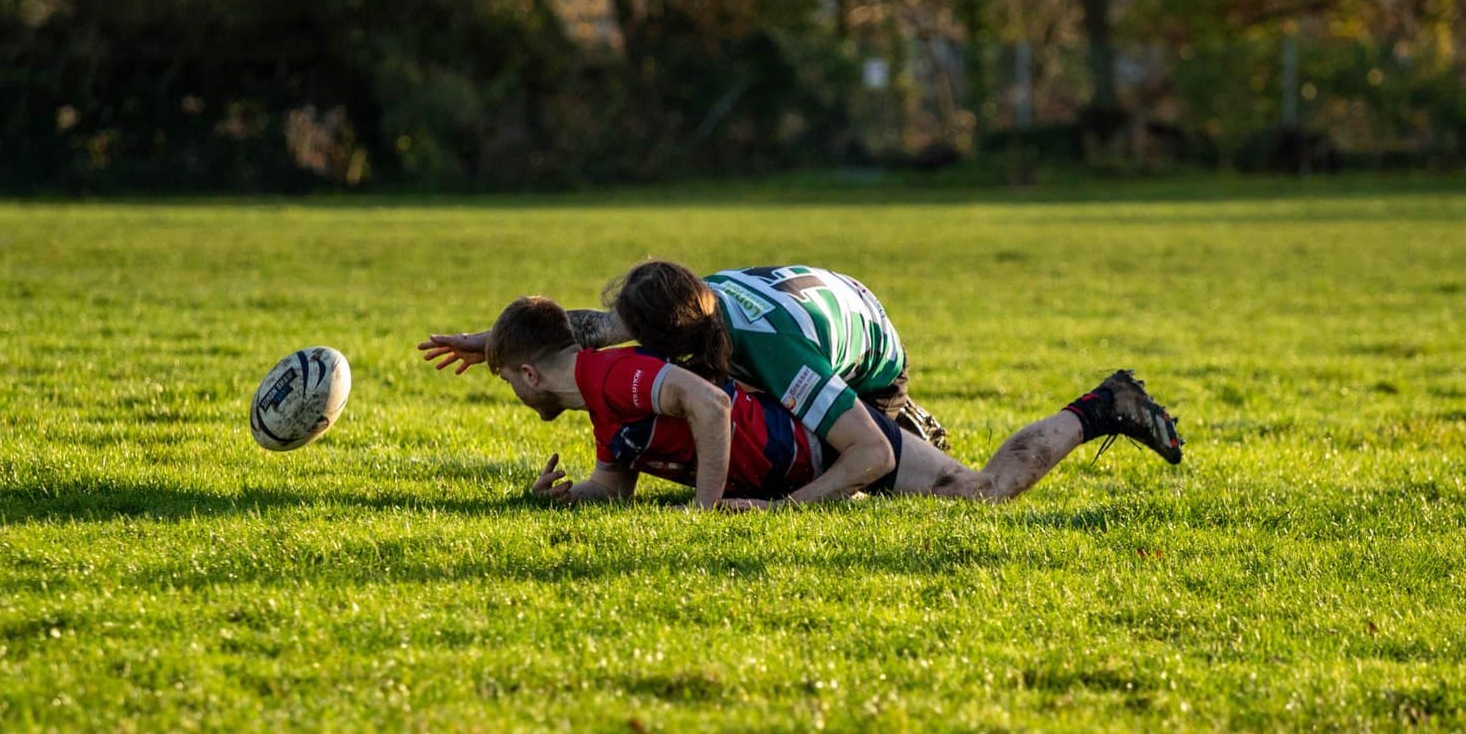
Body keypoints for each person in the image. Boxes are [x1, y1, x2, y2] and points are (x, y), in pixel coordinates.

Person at [478, 296, 1183, 511]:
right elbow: (610, 484)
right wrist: (557, 499)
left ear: (531, 375)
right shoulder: (615, 381)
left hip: (842, 398)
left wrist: (734, 508)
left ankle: (1102, 405)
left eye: (508, 379)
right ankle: (898, 429)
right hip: (804, 370)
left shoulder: (615, 378)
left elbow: (709, 405)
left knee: (977, 492)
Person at [422, 260, 962, 504]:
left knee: (847, 466)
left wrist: (783, 509)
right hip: (809, 308)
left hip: (867, 362)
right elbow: (588, 329)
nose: (629, 349)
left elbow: (871, 455)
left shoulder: (775, 355)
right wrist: (493, 342)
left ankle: (908, 424)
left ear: (671, 343)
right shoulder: (683, 305)